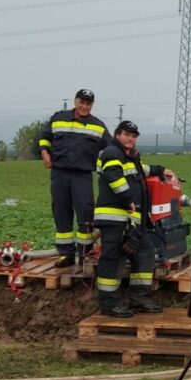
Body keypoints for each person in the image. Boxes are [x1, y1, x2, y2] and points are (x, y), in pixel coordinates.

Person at [94, 121, 177, 317]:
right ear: (118, 135)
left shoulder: (130, 156)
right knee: (113, 258)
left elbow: (140, 171)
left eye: (134, 136)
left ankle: (140, 297)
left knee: (146, 252)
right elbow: (114, 177)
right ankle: (108, 303)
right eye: (127, 135)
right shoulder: (112, 153)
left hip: (131, 220)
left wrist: (159, 169)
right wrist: (128, 199)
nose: (130, 139)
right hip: (114, 217)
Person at [38, 89, 111, 268]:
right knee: (61, 213)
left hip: (82, 175)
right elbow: (44, 138)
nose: (84, 106)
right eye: (82, 102)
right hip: (59, 173)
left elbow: (111, 148)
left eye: (88, 103)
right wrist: (44, 153)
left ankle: (85, 253)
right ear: (75, 101)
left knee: (85, 214)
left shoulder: (98, 126)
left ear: (92, 105)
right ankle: (66, 254)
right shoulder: (58, 118)